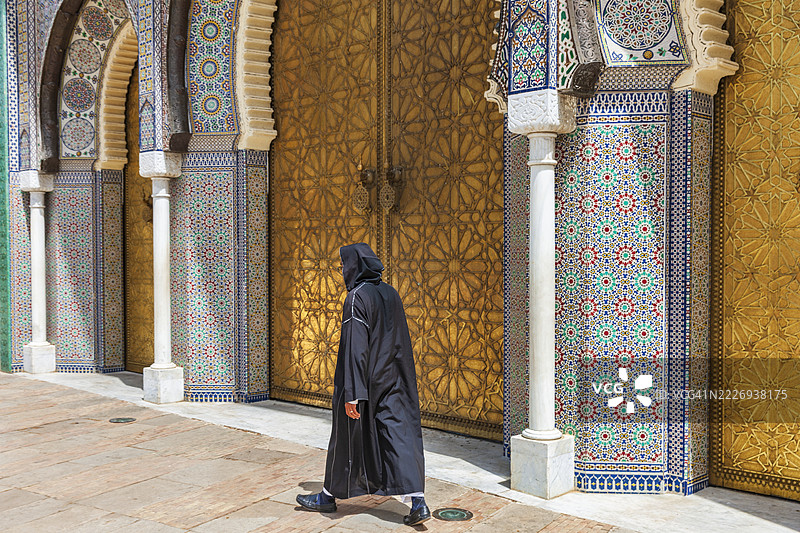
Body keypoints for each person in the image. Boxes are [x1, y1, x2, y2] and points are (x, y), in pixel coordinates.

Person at [296, 243, 430, 526]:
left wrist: (354, 393)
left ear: (355, 266)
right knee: (398, 435)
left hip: (364, 380)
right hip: (395, 378)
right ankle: (418, 501)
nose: (343, 270)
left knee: (346, 436)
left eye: (344, 265)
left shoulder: (357, 297)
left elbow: (356, 348)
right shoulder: (390, 292)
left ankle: (327, 496)